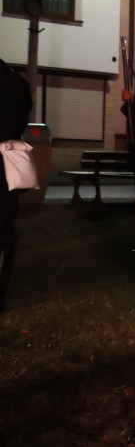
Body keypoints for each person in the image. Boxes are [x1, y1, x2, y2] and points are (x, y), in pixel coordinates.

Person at [0, 58, 33, 311]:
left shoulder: (12, 84)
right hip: (5, 165)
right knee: (4, 229)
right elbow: (20, 120)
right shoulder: (17, 83)